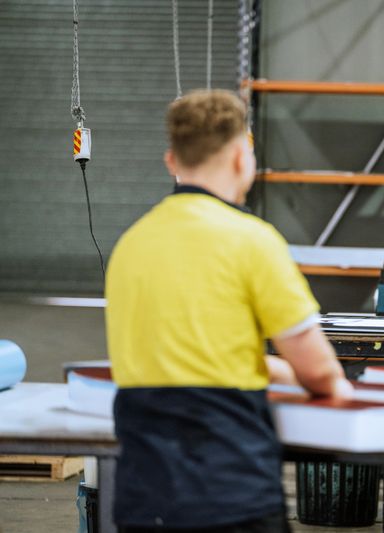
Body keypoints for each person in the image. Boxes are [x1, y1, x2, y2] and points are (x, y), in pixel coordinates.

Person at [106, 89, 351, 533]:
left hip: (144, 495)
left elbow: (187, 355)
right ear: (243, 157)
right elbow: (318, 372)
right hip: (228, 490)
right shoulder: (251, 241)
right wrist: (329, 382)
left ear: (171, 162)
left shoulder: (131, 244)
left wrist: (269, 370)